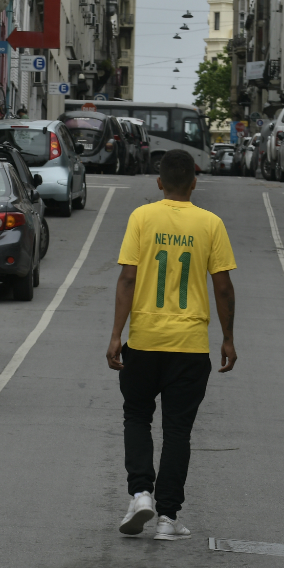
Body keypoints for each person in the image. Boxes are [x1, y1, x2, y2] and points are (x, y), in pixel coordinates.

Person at [107, 149, 238, 541]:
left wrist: (117, 334)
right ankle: (167, 519)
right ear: (194, 182)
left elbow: (128, 278)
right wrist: (228, 337)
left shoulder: (142, 218)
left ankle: (140, 492)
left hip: (144, 341)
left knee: (137, 417)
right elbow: (223, 286)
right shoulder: (211, 223)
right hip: (190, 345)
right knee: (178, 431)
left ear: (159, 182)